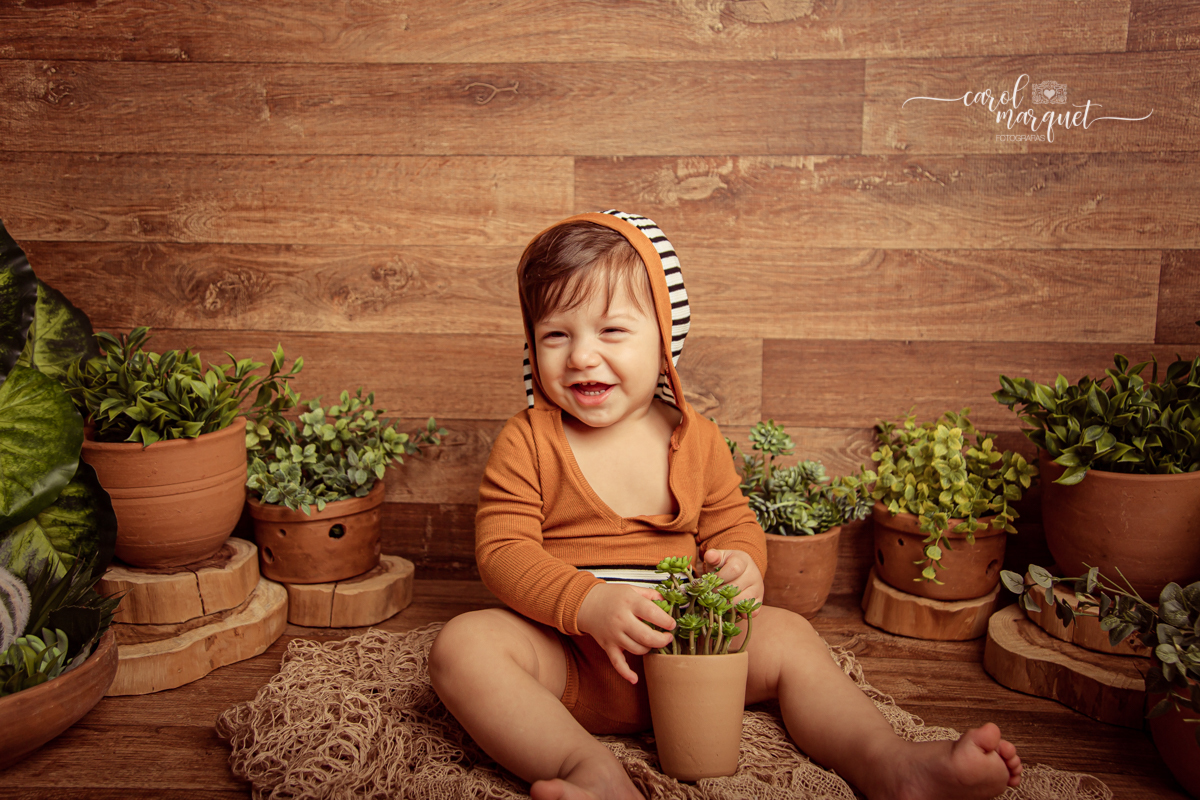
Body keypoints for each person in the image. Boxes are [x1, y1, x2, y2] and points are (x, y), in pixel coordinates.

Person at [429, 210, 1023, 800]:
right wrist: (588, 602)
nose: (581, 356)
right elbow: (503, 552)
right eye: (557, 334)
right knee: (465, 646)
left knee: (788, 636)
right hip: (568, 660)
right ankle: (588, 770)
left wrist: (743, 563)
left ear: (665, 338)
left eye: (611, 331)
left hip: (697, 652)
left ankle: (888, 762)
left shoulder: (697, 438)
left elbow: (733, 523)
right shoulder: (529, 439)